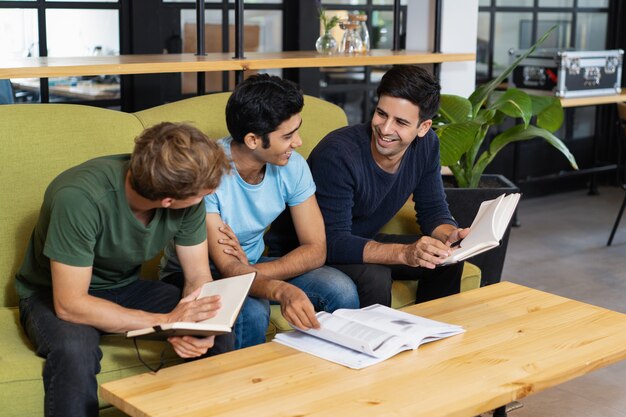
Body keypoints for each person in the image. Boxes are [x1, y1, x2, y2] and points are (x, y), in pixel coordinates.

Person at [15, 122, 231, 417]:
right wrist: (165, 322)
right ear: (168, 201)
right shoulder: (79, 198)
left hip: (125, 287)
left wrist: (195, 327)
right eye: (200, 196)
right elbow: (70, 305)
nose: (204, 199)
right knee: (75, 352)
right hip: (54, 292)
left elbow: (197, 278)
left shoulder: (187, 198)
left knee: (218, 328)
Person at [160, 74, 359, 349]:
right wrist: (257, 277)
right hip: (197, 273)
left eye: (297, 130)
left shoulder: (292, 165)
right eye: (288, 136)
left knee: (341, 289)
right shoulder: (208, 174)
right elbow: (228, 268)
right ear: (253, 139)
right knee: (253, 312)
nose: (298, 142)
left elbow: (316, 248)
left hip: (253, 262)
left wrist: (255, 269)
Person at [267, 65, 469, 308]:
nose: (385, 129)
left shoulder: (427, 146)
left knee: (446, 258)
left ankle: (432, 336)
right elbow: (331, 241)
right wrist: (403, 253)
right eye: (381, 114)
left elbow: (432, 208)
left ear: (423, 127)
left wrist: (449, 235)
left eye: (401, 122)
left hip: (357, 239)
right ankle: (376, 344)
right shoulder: (338, 154)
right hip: (307, 249)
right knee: (374, 277)